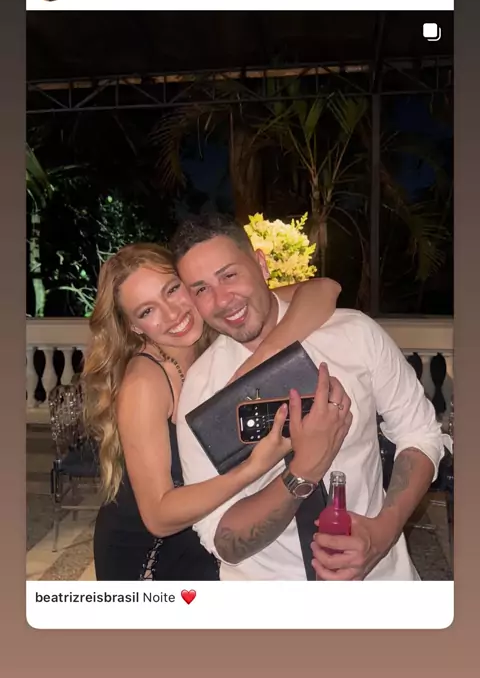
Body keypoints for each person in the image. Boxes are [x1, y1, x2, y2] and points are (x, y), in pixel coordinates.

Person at [173, 213, 445, 581]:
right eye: (201, 289)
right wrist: (304, 470)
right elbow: (219, 534)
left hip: (381, 581)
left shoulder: (353, 334)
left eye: (229, 275)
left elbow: (420, 433)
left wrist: (384, 531)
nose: (222, 300)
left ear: (260, 264)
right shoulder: (202, 391)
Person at [82, 242, 341, 581]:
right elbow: (158, 516)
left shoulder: (215, 322)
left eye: (172, 290)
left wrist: (258, 363)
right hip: (149, 558)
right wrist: (252, 468)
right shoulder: (145, 383)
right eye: (147, 311)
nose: (172, 314)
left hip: (205, 540)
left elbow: (324, 289)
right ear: (135, 327)